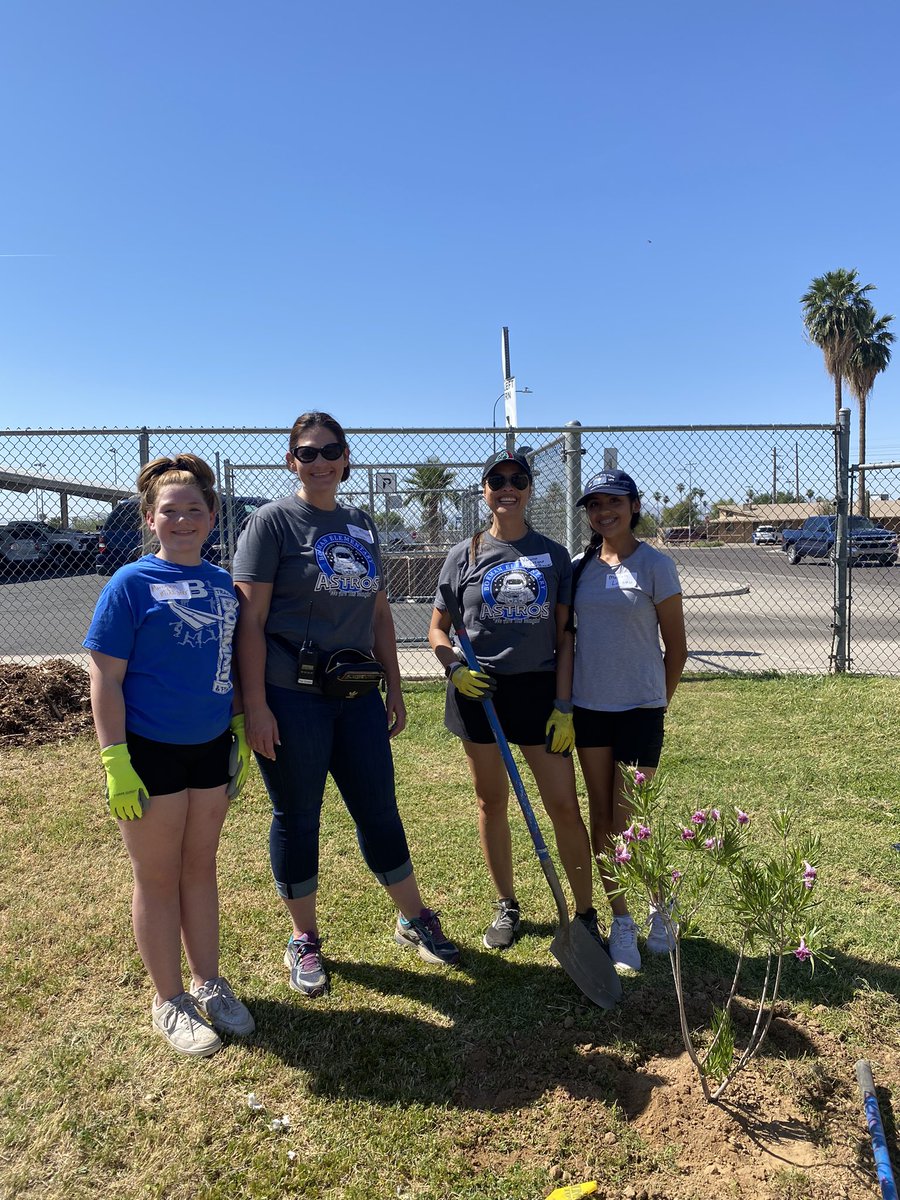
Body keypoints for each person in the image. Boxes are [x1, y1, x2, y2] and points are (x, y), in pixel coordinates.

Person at [232, 411, 459, 997]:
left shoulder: (360, 524)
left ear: (346, 457)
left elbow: (378, 612)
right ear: (292, 461)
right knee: (298, 814)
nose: (321, 461)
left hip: (355, 694)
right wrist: (255, 704)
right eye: (308, 452)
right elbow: (250, 621)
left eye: (331, 450)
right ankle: (303, 938)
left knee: (379, 808)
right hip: (291, 696)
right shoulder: (271, 523)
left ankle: (414, 917)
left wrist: (396, 685)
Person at [85, 454, 254, 1058]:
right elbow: (104, 677)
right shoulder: (129, 584)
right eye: (169, 511)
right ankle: (169, 998)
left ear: (212, 517)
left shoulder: (220, 584)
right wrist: (116, 761)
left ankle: (209, 983)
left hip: (209, 750)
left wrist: (236, 730)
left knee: (199, 868)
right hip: (149, 753)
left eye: (194, 510)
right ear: (150, 519)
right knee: (156, 877)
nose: (182, 519)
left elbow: (226, 665)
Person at [428, 449, 600, 951]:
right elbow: (438, 629)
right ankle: (508, 905)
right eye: (496, 479)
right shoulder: (465, 554)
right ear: (484, 490)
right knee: (491, 801)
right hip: (479, 692)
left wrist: (563, 705)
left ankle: (585, 912)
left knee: (563, 806)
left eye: (517, 479)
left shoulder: (552, 554)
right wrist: (454, 667)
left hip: (537, 692)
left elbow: (564, 636)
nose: (508, 486)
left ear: (528, 489)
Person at [566, 469, 688, 973]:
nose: (603, 512)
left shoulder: (656, 565)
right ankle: (621, 921)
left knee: (629, 820)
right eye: (594, 505)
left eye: (613, 501)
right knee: (600, 815)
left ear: (634, 506)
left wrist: (657, 701)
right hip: (591, 708)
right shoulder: (578, 567)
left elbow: (676, 648)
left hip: (639, 710)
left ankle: (662, 904)